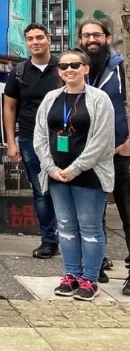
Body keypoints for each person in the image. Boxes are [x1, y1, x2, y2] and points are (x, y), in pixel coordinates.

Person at [34, 48, 114, 301]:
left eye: (75, 65)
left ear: (86, 69)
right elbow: (40, 137)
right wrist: (51, 168)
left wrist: (75, 168)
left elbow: (102, 140)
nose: (69, 69)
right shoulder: (51, 99)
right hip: (57, 175)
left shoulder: (100, 99)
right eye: (64, 66)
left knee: (90, 228)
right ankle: (71, 276)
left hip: (89, 174)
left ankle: (90, 280)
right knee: (66, 227)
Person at [77, 19, 129, 289]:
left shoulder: (121, 67)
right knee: (91, 216)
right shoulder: (79, 71)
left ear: (108, 38)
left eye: (96, 35)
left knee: (127, 214)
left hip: (121, 152)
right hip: (89, 156)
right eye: (86, 36)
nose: (91, 40)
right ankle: (96, 268)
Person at [3, 23, 61, 259]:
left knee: (72, 191)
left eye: (39, 37)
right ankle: (49, 240)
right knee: (41, 191)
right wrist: (11, 141)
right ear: (26, 43)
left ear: (48, 39)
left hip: (64, 141)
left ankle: (79, 241)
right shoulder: (19, 72)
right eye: (30, 39)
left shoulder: (64, 66)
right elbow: (9, 108)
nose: (35, 42)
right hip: (30, 140)